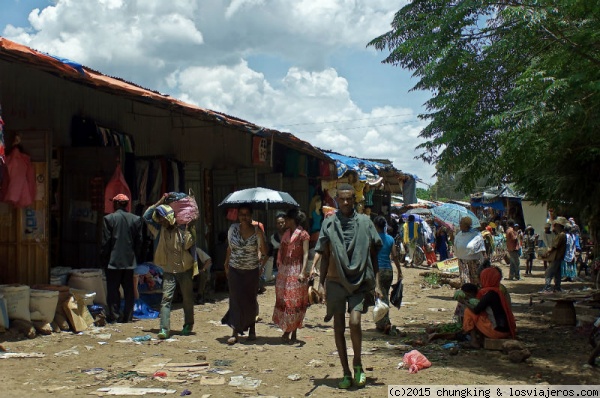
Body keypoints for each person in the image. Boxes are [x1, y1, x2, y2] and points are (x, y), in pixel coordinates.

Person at [315, 183, 382, 389]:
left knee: (354, 322)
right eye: (342, 199)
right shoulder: (329, 224)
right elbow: (324, 255)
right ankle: (345, 371)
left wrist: (377, 283)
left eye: (349, 198)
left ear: (355, 199)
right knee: (338, 327)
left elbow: (373, 256)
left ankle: (358, 364)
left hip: (359, 280)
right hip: (335, 281)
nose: (345, 202)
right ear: (336, 200)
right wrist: (319, 283)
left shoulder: (365, 222)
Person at [143, 194, 196, 338]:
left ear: (170, 218)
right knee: (166, 299)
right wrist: (160, 201)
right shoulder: (159, 231)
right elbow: (147, 216)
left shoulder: (182, 230)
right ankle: (164, 329)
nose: (161, 221)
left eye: (163, 218)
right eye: (160, 219)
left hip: (184, 269)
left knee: (187, 298)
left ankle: (188, 324)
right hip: (168, 270)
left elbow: (188, 245)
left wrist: (187, 230)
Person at [222, 205, 268, 345]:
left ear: (251, 216)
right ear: (238, 216)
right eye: (241, 214)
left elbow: (265, 252)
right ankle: (235, 332)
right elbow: (230, 248)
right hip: (235, 269)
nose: (244, 217)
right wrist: (226, 264)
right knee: (235, 299)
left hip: (251, 270)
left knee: (250, 300)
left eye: (247, 214)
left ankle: (252, 330)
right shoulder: (233, 229)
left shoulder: (257, 231)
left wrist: (261, 267)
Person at [101, 194, 143, 324]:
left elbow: (106, 242)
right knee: (129, 290)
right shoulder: (136, 219)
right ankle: (128, 316)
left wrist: (103, 259)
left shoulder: (109, 219)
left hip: (113, 262)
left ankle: (114, 316)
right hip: (129, 261)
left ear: (116, 204)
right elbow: (139, 242)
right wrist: (135, 257)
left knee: (113, 290)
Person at [272, 208, 310, 343]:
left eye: (287, 219)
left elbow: (305, 254)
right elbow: (281, 251)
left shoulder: (303, 234)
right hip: (284, 270)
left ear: (292, 220)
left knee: (293, 302)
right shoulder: (286, 234)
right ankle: (289, 331)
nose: (285, 221)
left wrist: (302, 271)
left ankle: (290, 332)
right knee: (284, 299)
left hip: (296, 269)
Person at [461, 267, 516, 348]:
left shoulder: (489, 294)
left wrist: (464, 302)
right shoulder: (498, 291)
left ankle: (474, 341)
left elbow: (476, 310)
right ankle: (481, 340)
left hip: (496, 332)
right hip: (506, 330)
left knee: (468, 311)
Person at [373, 216, 402, 335]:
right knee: (384, 295)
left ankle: (383, 323)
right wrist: (399, 270)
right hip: (388, 271)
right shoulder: (390, 239)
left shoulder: (373, 239)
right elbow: (394, 256)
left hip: (377, 270)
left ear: (375, 226)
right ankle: (383, 322)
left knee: (379, 296)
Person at [453, 217, 486, 285]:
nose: (460, 225)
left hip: (474, 260)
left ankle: (476, 293)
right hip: (462, 260)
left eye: (461, 223)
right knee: (464, 279)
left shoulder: (476, 234)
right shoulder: (459, 234)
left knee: (475, 278)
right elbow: (456, 245)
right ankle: (466, 293)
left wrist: (485, 260)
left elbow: (481, 248)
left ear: (466, 225)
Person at [541, 217, 568, 292]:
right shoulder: (561, 235)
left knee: (549, 272)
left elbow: (554, 246)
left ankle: (547, 287)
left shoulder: (561, 235)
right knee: (557, 273)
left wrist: (546, 253)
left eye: (555, 225)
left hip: (556, 256)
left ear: (558, 226)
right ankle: (557, 287)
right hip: (559, 256)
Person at [269, 212, 288, 277]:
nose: (280, 224)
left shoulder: (292, 236)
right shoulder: (273, 238)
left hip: (289, 267)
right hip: (276, 268)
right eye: (278, 223)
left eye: (282, 222)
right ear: (276, 224)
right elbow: (269, 254)